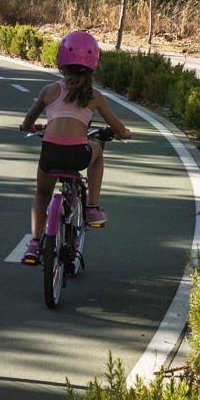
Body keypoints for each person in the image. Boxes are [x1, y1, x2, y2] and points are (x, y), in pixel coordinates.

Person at [17, 31, 131, 265]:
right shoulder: (95, 97)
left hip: (50, 154)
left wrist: (30, 126)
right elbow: (117, 127)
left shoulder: (49, 91)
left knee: (41, 194)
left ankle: (35, 243)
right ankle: (93, 207)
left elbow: (27, 122)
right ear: (93, 65)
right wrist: (124, 134)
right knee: (97, 151)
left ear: (60, 63)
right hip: (78, 156)